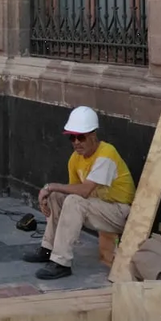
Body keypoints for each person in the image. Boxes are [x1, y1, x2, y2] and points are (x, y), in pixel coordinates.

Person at [21, 106, 137, 280]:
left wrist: (50, 186)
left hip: (121, 213)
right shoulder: (75, 159)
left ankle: (61, 262)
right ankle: (48, 248)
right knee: (57, 197)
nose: (76, 142)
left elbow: (83, 191)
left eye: (81, 137)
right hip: (99, 208)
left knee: (72, 200)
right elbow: (71, 192)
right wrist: (49, 194)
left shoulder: (106, 154)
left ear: (93, 135)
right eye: (72, 137)